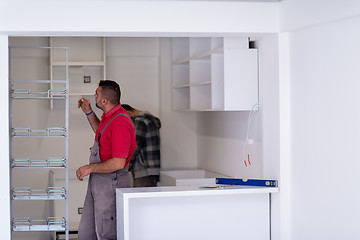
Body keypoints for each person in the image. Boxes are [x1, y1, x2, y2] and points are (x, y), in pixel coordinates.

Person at [76, 80, 136, 240]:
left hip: (111, 183)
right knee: (87, 232)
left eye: (96, 93)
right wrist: (89, 112)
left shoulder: (120, 122)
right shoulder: (110, 117)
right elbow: (101, 134)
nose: (94, 96)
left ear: (104, 101)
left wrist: (90, 168)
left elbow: (118, 163)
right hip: (99, 182)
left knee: (107, 233)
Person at [121, 104, 161, 187]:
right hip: (150, 169)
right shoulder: (148, 119)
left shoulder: (140, 121)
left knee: (139, 198)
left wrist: (125, 164)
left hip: (144, 170)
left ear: (128, 113)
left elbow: (134, 146)